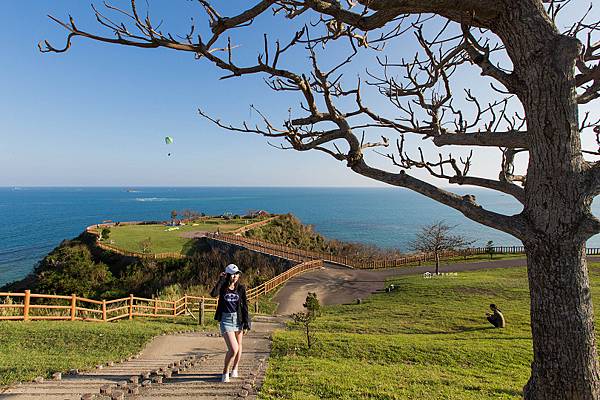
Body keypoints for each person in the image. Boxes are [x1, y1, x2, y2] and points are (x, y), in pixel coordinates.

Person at [210, 263, 251, 383]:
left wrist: (246, 322)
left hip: (238, 319)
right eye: (232, 274)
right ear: (227, 275)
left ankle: (235, 368)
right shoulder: (223, 288)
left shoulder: (241, 288)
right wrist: (220, 280)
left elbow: (245, 306)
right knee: (233, 349)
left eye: (237, 274)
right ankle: (225, 371)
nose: (235, 277)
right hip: (226, 320)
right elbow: (213, 294)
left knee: (239, 346)